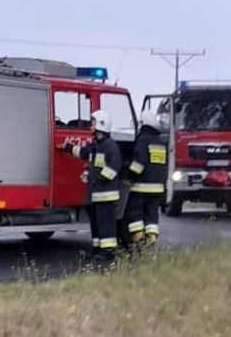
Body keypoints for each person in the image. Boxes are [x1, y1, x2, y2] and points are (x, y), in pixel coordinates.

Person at [59, 109, 122, 264]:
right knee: (97, 223)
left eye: (93, 121)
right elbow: (85, 154)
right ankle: (98, 249)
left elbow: (114, 167)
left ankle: (108, 252)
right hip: (96, 193)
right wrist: (67, 148)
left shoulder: (110, 146)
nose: (91, 124)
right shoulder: (97, 145)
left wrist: (97, 178)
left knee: (106, 224)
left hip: (106, 194)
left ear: (102, 124)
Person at [123, 109, 168, 248]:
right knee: (152, 218)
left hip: (141, 188)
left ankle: (139, 242)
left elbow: (138, 163)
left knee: (134, 215)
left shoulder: (143, 140)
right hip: (157, 189)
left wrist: (128, 176)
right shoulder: (160, 142)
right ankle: (151, 241)